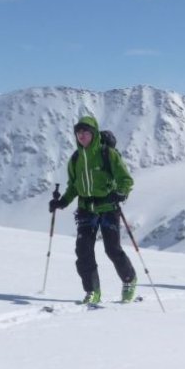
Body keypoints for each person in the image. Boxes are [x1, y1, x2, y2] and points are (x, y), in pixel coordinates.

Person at [49, 115, 137, 304]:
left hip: (108, 208)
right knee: (83, 251)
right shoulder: (75, 159)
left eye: (85, 132)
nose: (82, 136)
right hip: (86, 210)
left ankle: (129, 279)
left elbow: (126, 179)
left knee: (112, 250)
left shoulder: (108, 154)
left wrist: (120, 193)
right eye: (78, 133)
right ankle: (92, 291)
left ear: (94, 133)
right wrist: (62, 202)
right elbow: (74, 186)